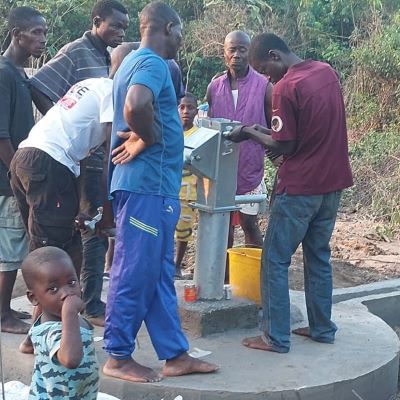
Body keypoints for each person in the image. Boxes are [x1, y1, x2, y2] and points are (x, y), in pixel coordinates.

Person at [103, 1, 218, 383]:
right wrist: (146, 140)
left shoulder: (132, 61)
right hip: (147, 188)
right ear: (168, 27)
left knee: (157, 272)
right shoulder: (152, 62)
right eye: (181, 30)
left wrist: (144, 137)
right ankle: (118, 355)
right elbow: (136, 106)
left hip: (150, 188)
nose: (183, 38)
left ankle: (174, 354)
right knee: (134, 270)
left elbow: (136, 106)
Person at [226, 33, 353, 353]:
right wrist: (259, 130)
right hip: (332, 184)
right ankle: (323, 327)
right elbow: (303, 132)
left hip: (299, 188)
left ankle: (275, 337)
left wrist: (248, 133)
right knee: (318, 256)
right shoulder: (326, 72)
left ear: (274, 55)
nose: (268, 77)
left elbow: (285, 145)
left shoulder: (286, 86)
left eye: (266, 70)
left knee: (274, 260)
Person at [10, 44, 135, 352]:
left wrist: (81, 205)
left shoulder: (88, 85)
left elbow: (78, 153)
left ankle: (43, 331)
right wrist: (107, 213)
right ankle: (40, 336)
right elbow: (109, 156)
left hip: (29, 159)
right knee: (56, 254)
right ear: (127, 73)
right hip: (48, 165)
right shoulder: (110, 93)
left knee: (54, 249)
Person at [30, 0, 129, 327]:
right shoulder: (77, 51)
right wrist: (65, 130)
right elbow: (38, 83)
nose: (119, 31)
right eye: (115, 25)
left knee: (85, 231)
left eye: (124, 28)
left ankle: (80, 307)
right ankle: (61, 318)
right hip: (65, 159)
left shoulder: (103, 58)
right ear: (97, 21)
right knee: (73, 234)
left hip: (81, 161)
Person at [206, 30, 273, 280]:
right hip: (221, 169)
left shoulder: (265, 87)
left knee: (249, 224)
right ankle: (223, 281)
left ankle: (256, 277)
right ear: (224, 53)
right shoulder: (214, 87)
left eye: (242, 50)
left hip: (251, 169)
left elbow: (274, 129)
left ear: (250, 53)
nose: (236, 55)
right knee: (223, 228)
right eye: (231, 50)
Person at [0, 6, 47, 334]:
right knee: (10, 249)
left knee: (12, 245)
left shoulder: (18, 74)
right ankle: (3, 314)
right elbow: (1, 135)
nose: (42, 39)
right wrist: (19, 177)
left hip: (11, 176)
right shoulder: (4, 74)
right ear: (17, 34)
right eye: (36, 33)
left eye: (44, 33)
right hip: (7, 179)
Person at [21, 246, 99, 399]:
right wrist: (69, 313)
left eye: (71, 282)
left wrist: (29, 345)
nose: (66, 293)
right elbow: (70, 360)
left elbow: (29, 341)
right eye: (53, 289)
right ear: (33, 298)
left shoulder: (66, 322)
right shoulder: (50, 331)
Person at [174, 92, 199, 279]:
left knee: (183, 231)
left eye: (190, 107)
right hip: (168, 188)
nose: (186, 111)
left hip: (189, 190)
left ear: (197, 111)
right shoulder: (170, 132)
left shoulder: (199, 135)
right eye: (182, 107)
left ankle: (176, 266)